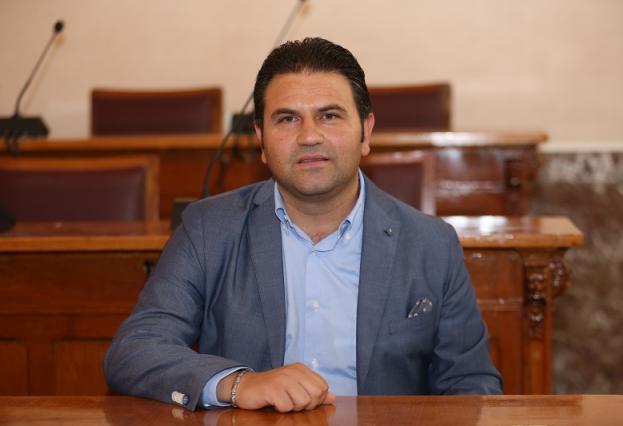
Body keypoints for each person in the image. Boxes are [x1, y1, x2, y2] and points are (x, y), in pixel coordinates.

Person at [104, 37, 502, 412]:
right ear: (261, 138)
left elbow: (471, 384)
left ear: (366, 131)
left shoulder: (430, 244)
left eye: (329, 116)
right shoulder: (209, 230)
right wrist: (239, 384)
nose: (309, 136)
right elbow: (135, 350)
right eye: (287, 118)